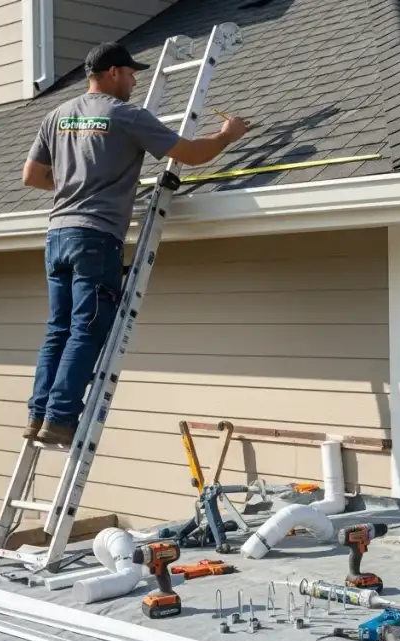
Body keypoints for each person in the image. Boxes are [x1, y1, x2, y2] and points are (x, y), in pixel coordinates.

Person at [20, 42, 250, 446]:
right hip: (95, 236)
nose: (134, 79)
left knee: (59, 329)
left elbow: (33, 176)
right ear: (111, 72)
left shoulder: (57, 115)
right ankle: (59, 419)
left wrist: (77, 185)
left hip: (57, 235)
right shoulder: (123, 114)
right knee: (87, 329)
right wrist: (227, 135)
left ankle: (38, 415)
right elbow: (190, 154)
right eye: (129, 73)